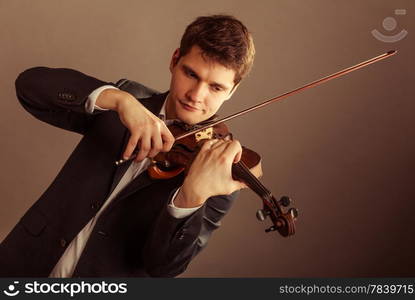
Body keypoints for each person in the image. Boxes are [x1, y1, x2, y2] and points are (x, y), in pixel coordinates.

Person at [0, 15, 258, 277]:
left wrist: (191, 197)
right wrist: (118, 100)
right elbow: (29, 87)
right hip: (22, 265)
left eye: (215, 87)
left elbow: (163, 267)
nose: (196, 95)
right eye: (190, 74)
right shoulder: (129, 99)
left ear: (232, 91)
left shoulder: (224, 170)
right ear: (174, 60)